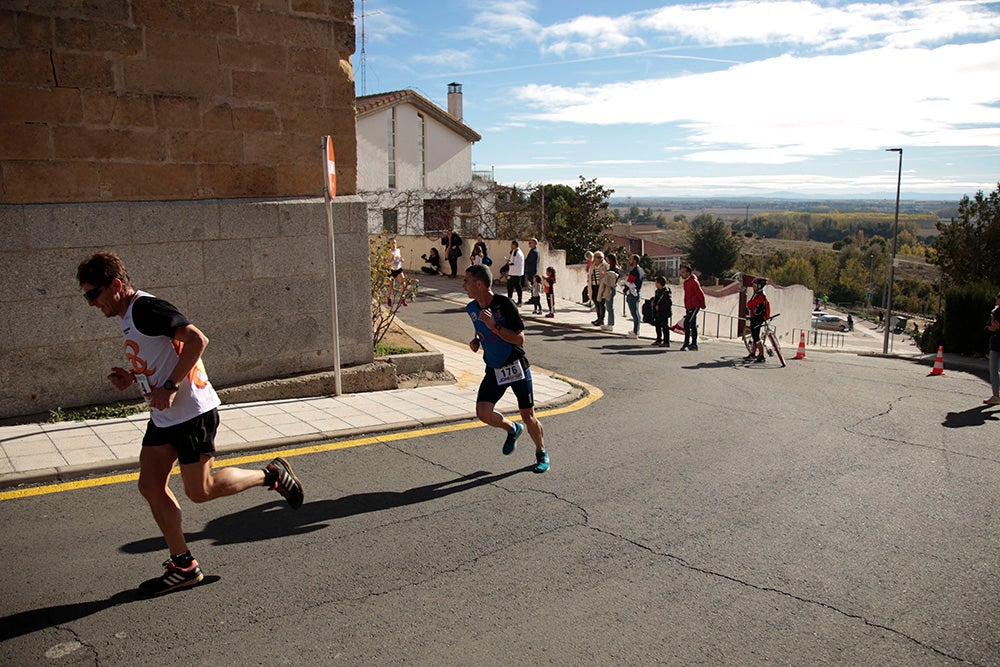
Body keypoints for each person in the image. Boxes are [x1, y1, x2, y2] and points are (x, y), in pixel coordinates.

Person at [76, 252, 304, 596]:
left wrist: (168, 387)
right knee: (150, 486)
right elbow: (162, 353)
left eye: (93, 294)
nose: (91, 304)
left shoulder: (145, 307)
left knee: (201, 491)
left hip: (193, 413)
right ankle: (183, 564)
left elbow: (197, 340)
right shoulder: (128, 316)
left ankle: (271, 475)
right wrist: (133, 377)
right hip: (165, 417)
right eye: (86, 297)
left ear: (117, 286)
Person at [463, 264, 549, 473]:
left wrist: (495, 327)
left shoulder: (505, 304)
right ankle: (512, 429)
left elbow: (520, 340)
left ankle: (541, 452)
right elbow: (479, 329)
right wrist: (476, 341)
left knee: (528, 415)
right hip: (494, 367)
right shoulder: (471, 308)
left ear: (479, 284)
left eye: (467, 281)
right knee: (483, 412)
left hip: (515, 365)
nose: (463, 285)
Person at [679, 264, 706, 351]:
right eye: (681, 272)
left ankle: (686, 344)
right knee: (693, 325)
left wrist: (702, 305)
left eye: (683, 272)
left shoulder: (693, 282)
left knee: (687, 324)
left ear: (688, 273)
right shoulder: (686, 282)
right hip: (689, 306)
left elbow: (700, 294)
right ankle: (694, 344)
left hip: (694, 306)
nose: (681, 274)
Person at [744, 277, 770, 362]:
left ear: (759, 286)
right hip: (755, 317)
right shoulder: (758, 293)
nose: (752, 287)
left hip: (757, 318)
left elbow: (750, 305)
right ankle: (753, 353)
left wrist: (749, 304)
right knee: (755, 336)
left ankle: (761, 355)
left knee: (756, 337)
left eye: (754, 285)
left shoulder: (761, 296)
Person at [623, 254, 644, 339]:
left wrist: (625, 289)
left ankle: (635, 332)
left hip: (633, 293)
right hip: (637, 292)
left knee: (634, 313)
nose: (629, 261)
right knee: (636, 313)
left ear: (634, 261)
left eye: (631, 259)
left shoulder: (634, 271)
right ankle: (636, 330)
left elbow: (629, 281)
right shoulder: (641, 270)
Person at [597, 254, 619, 332]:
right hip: (609, 288)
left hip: (611, 288)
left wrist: (606, 274)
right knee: (609, 307)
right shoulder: (611, 267)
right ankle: (609, 323)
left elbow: (615, 276)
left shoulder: (614, 269)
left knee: (610, 307)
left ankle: (611, 324)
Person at [985, 291, 1000, 405]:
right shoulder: (994, 312)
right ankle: (996, 395)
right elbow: (986, 327)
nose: (996, 300)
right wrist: (991, 328)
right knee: (994, 370)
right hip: (995, 344)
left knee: (995, 370)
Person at [651, 276, 673, 347]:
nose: (655, 284)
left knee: (664, 326)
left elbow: (668, 303)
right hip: (658, 312)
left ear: (659, 283)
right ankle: (658, 340)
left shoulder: (666, 292)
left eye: (656, 282)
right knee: (657, 325)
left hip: (664, 312)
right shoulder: (657, 291)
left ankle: (666, 341)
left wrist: (660, 307)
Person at [590, 251, 609, 327]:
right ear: (594, 258)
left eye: (601, 257)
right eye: (598, 257)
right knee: (596, 303)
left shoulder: (605, 266)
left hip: (601, 286)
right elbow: (590, 275)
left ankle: (602, 319)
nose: (600, 259)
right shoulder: (593, 266)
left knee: (601, 303)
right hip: (594, 285)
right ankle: (598, 318)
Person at [387, 237, 407, 307]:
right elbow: (385, 262)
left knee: (403, 283)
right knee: (391, 286)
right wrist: (390, 260)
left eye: (395, 243)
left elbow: (401, 258)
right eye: (392, 243)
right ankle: (389, 298)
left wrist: (402, 259)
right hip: (391, 270)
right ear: (390, 244)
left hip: (398, 269)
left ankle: (403, 299)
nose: (394, 244)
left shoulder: (398, 250)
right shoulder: (388, 252)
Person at [506, 239, 525, 305]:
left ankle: (509, 300)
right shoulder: (520, 252)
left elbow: (513, 262)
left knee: (510, 287)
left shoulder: (516, 252)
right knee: (518, 287)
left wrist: (508, 262)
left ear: (514, 245)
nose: (511, 246)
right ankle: (520, 300)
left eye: (512, 244)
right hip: (518, 273)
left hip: (514, 273)